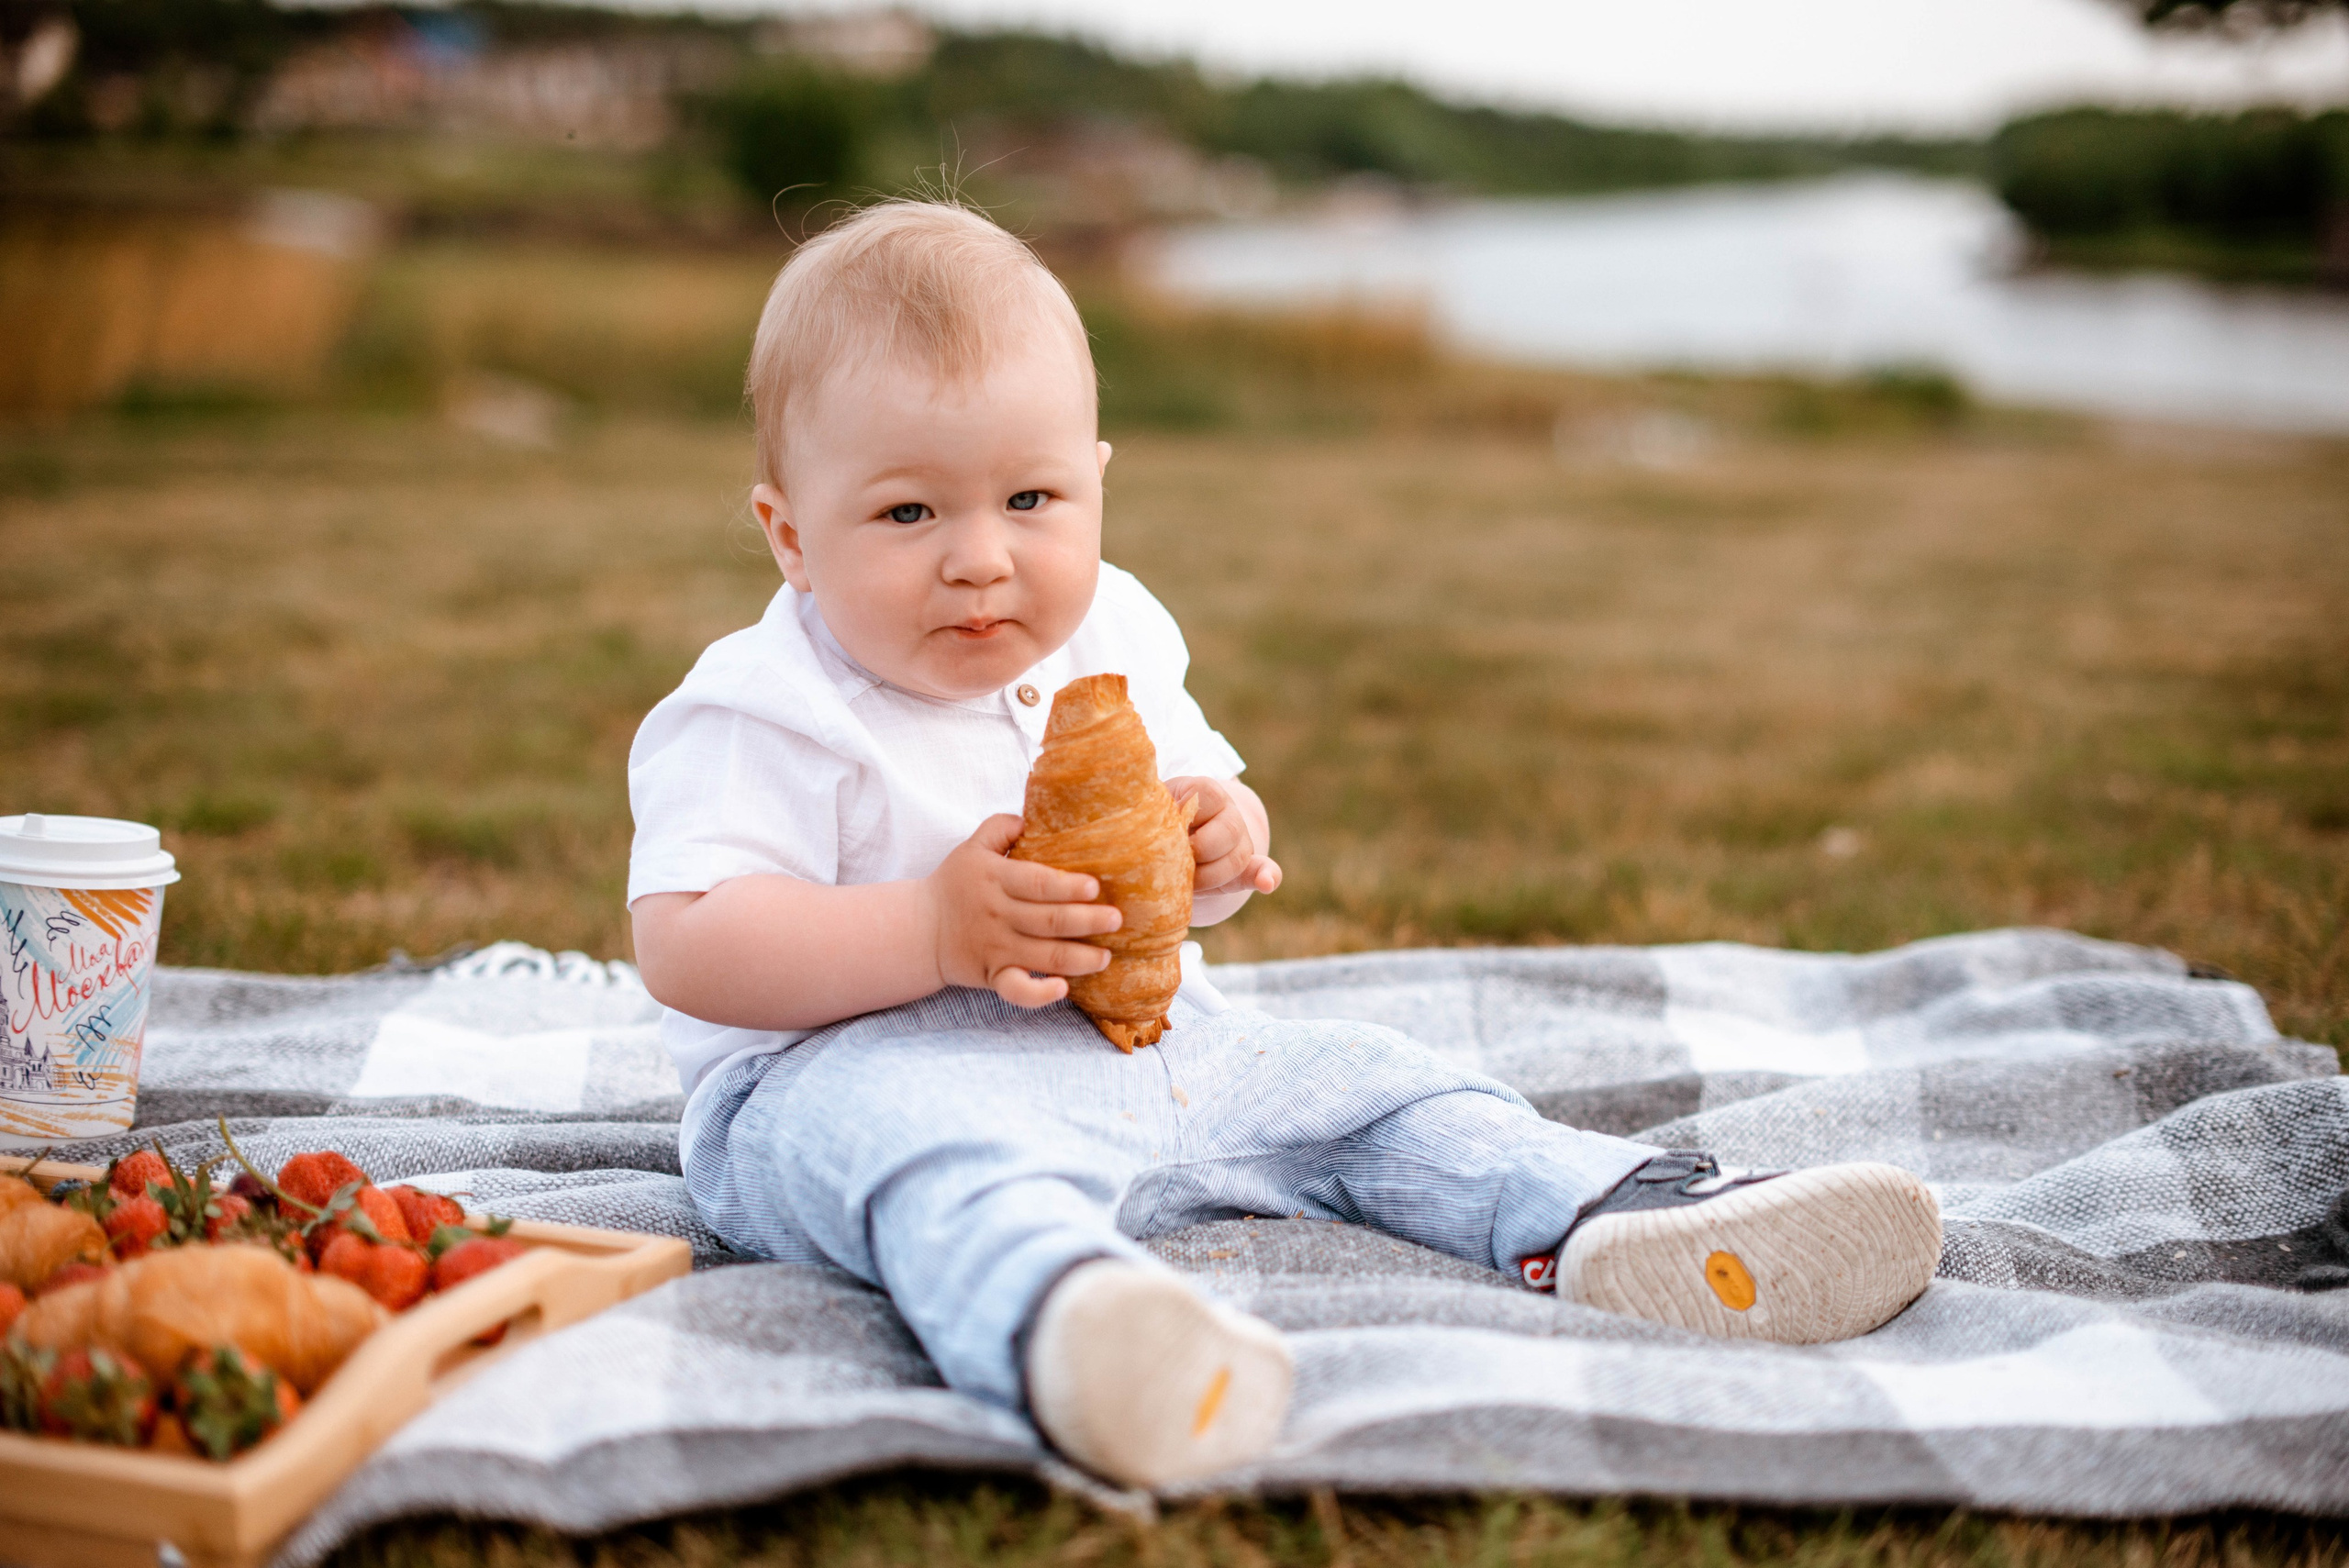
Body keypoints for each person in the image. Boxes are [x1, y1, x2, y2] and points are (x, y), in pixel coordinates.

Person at [627, 199, 1943, 1489]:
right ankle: (1076, 1327)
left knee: (1370, 1082)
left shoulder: (1118, 635)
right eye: (909, 515)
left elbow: (1196, 832)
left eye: (1030, 498)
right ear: (791, 535)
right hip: (842, 1075)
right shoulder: (766, 704)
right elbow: (687, 939)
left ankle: (1613, 1213)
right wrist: (925, 930)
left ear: (1096, 484)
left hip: (1155, 1050)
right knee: (926, 1167)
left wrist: (1217, 839)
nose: (982, 559)